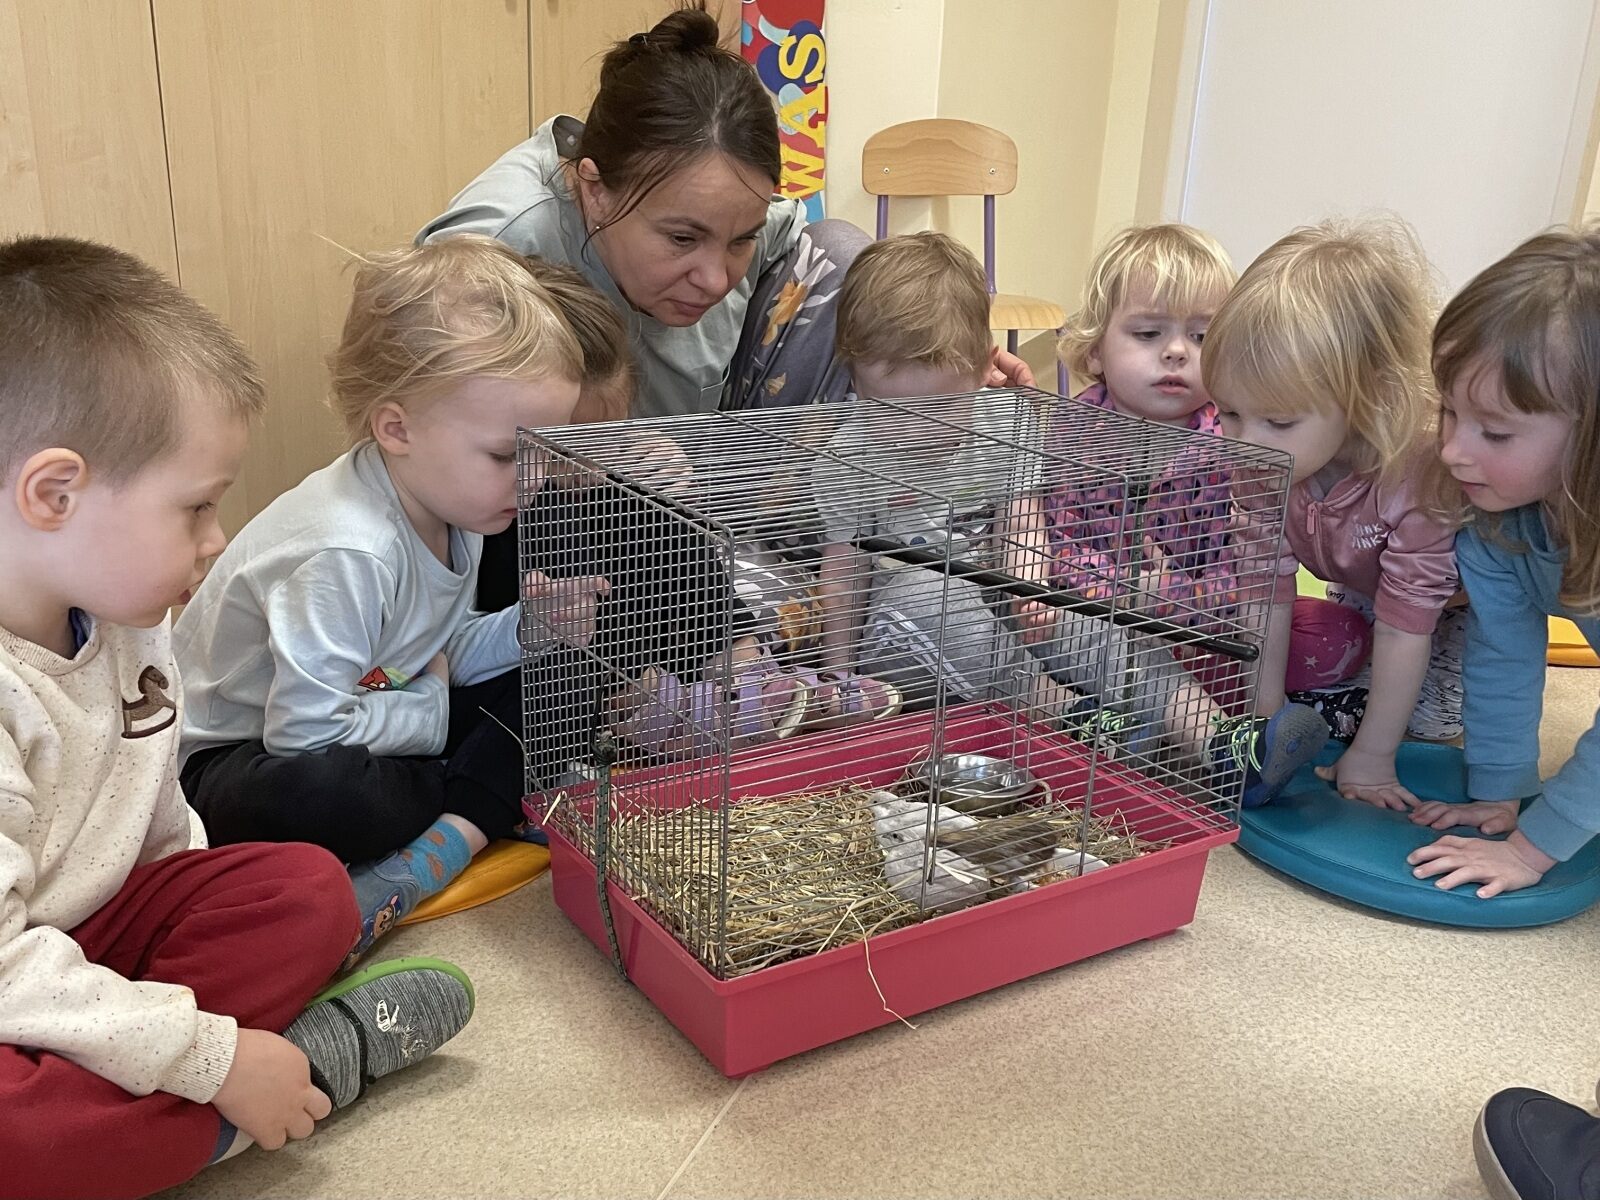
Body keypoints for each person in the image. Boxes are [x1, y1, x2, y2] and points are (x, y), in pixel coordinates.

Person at [0, 235, 472, 1198]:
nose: (217, 541)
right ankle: (304, 1068)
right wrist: (212, 1057)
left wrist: (186, 1017)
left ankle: (173, 1093)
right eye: (196, 509)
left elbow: (162, 829)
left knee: (305, 891)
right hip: (11, 973)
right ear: (54, 494)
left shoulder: (129, 614)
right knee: (20, 1137)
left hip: (93, 936)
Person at [175, 234, 592, 961]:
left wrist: (528, 628)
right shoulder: (348, 550)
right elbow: (307, 738)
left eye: (546, 453)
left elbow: (427, 652)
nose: (535, 480)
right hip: (242, 759)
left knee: (562, 673)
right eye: (507, 455)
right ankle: (471, 801)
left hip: (370, 706)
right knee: (330, 797)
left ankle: (454, 808)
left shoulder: (456, 512)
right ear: (396, 428)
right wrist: (431, 711)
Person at [419, 2, 1032, 419]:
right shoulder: (495, 250)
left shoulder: (744, 224)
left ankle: (800, 526)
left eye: (742, 238)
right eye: (682, 239)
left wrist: (940, 362)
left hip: (695, 462)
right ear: (595, 188)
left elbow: (809, 249)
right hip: (550, 506)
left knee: (843, 255)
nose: (716, 280)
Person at [1041, 222, 1328, 803]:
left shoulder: (1234, 446)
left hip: (1203, 630)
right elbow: (1055, 551)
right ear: (1095, 347)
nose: (1176, 351)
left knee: (1327, 632)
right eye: (1148, 333)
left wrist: (1172, 597)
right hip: (1096, 621)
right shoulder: (1071, 434)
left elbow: (1246, 574)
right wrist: (1124, 591)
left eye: (1201, 336)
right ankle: (1224, 748)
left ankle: (1181, 725)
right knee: (1059, 627)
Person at [1202, 218, 1465, 810]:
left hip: (1457, 602)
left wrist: (1374, 757)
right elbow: (1263, 594)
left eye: (1278, 421)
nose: (1245, 442)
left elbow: (1407, 622)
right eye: (1228, 412)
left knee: (1426, 723)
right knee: (1333, 673)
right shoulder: (1261, 458)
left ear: (1366, 398)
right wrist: (1264, 716)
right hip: (1362, 575)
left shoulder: (1417, 473)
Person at [1406, 225, 1600, 899]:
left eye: (1493, 431)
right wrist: (1501, 790)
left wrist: (1531, 850)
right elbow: (1503, 653)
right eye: (1448, 412)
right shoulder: (1495, 517)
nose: (1453, 450)